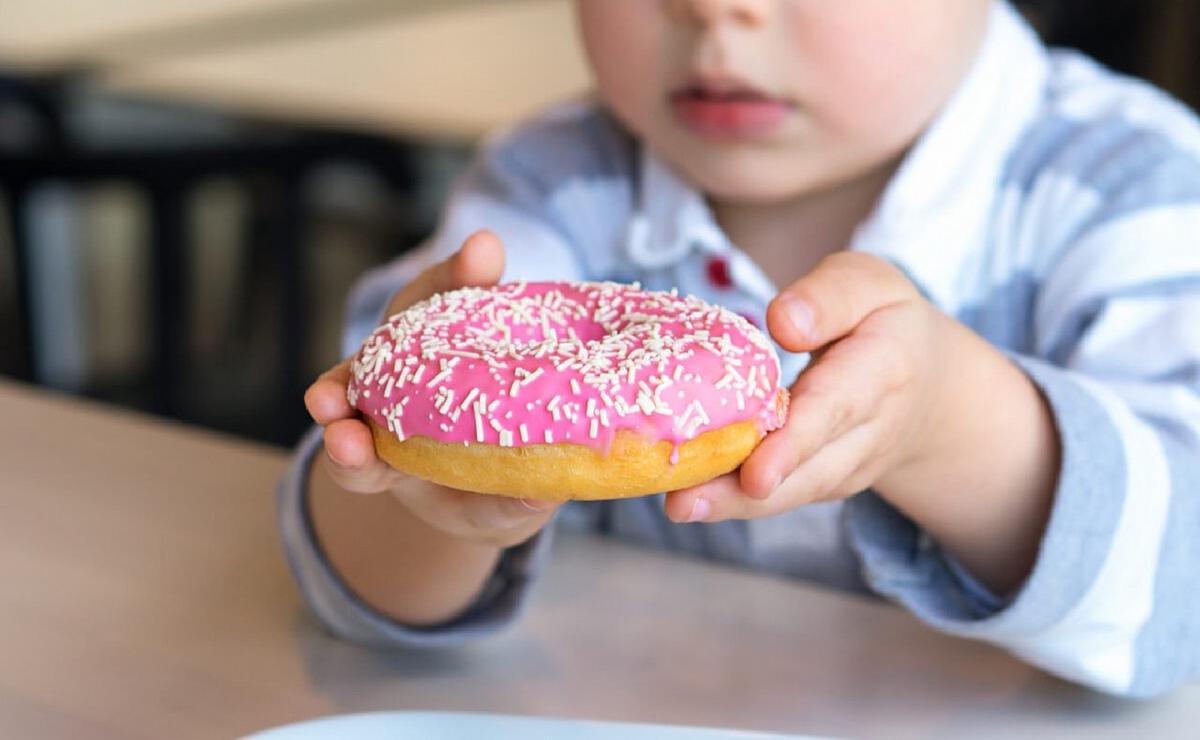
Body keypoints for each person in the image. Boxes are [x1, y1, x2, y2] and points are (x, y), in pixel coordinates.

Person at [282, 0, 1200, 697]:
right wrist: (435, 508)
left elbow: (1180, 606)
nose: (717, 10)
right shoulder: (552, 184)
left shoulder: (1132, 189)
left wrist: (947, 425)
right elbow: (353, 606)